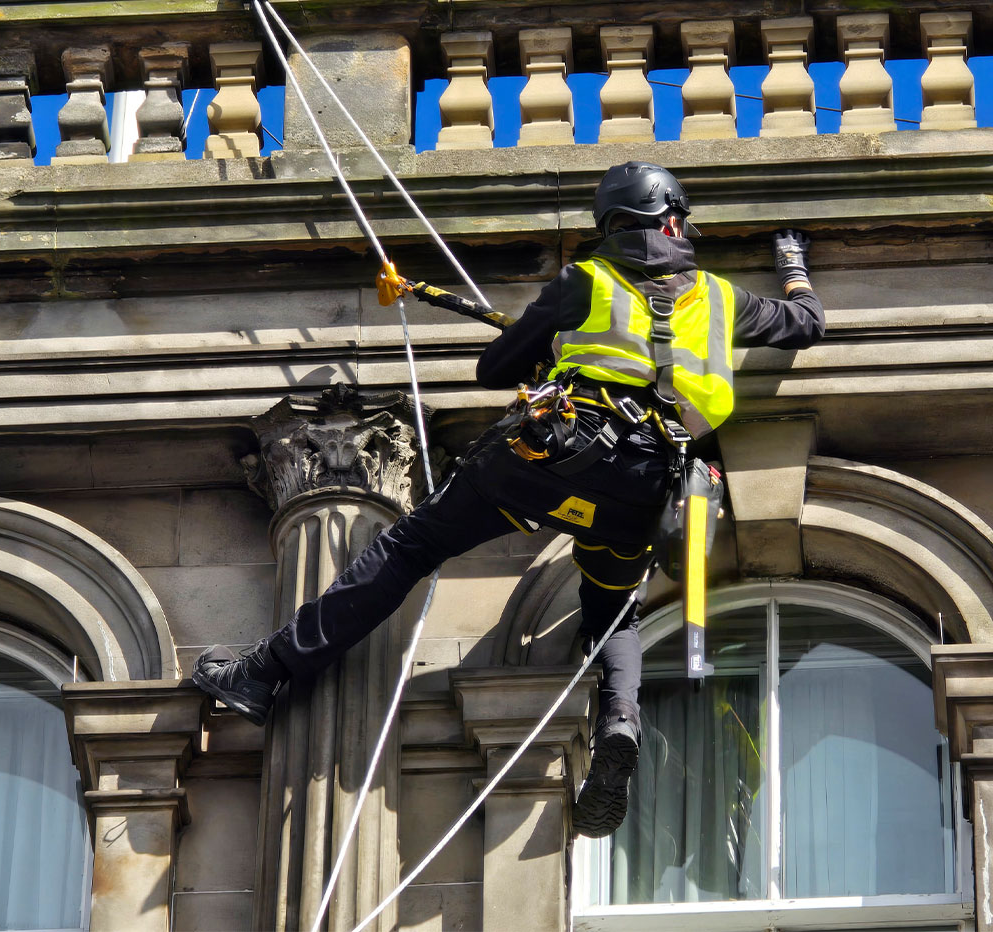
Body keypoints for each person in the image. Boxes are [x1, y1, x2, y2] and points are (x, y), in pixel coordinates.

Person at [192, 161, 826, 839]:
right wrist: (791, 262)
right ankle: (619, 722)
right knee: (615, 613)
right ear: (675, 222)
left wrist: (550, 345)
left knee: (412, 547)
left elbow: (493, 370)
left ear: (609, 225)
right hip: (645, 482)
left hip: (556, 456)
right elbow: (807, 322)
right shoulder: (725, 300)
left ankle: (265, 673)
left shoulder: (585, 282)